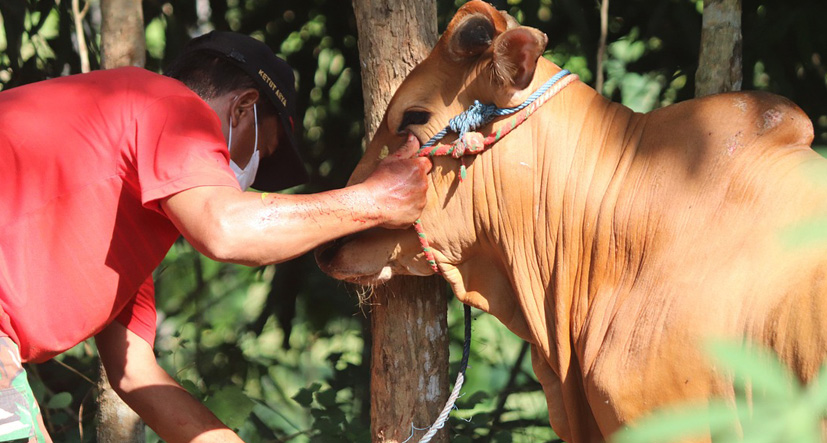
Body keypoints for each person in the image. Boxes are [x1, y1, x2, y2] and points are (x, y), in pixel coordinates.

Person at [0, 31, 430, 442]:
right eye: (262, 151)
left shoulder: (126, 219)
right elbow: (226, 231)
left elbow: (136, 375)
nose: (252, 172)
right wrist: (375, 200)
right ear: (242, 108)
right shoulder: (169, 104)